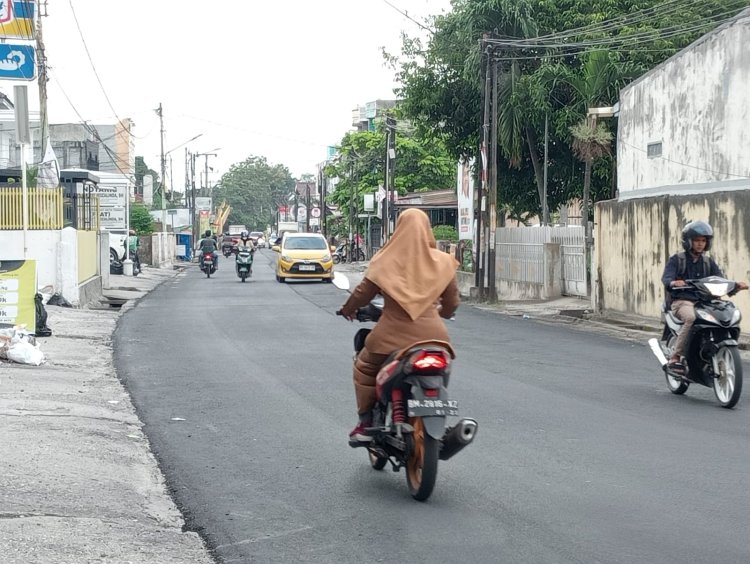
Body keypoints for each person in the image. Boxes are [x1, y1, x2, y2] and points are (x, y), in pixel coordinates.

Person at [338, 209, 460, 444]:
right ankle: (436, 409)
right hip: (435, 337)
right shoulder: (443, 262)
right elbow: (452, 302)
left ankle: (365, 423)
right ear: (427, 230)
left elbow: (363, 293)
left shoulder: (384, 260)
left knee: (364, 368)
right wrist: (442, 313)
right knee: (443, 366)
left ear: (399, 230)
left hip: (390, 337)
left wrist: (348, 309)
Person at [661, 220, 748, 373]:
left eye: (703, 240)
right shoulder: (677, 260)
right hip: (682, 302)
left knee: (728, 316)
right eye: (696, 240)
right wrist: (675, 282)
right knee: (691, 318)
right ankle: (676, 357)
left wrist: (735, 285)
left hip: (706, 302)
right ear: (688, 241)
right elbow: (667, 279)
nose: (700, 244)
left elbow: (720, 280)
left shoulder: (708, 262)